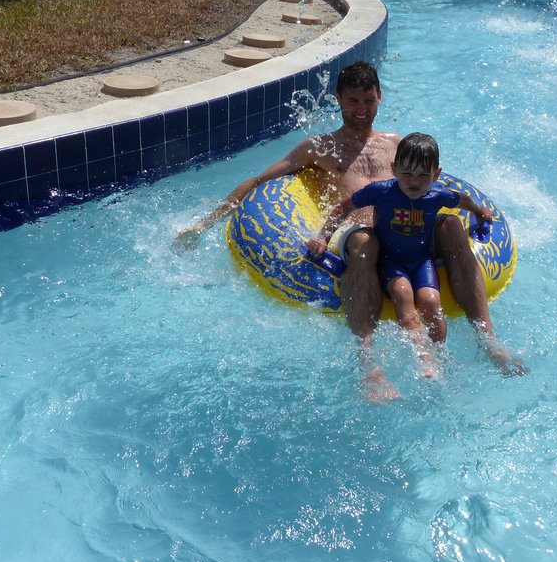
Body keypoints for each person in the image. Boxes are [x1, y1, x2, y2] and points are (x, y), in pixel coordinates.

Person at [174, 61, 526, 400]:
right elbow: (261, 180)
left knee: (449, 225)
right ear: (338, 100)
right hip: (358, 229)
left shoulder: (395, 143)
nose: (361, 109)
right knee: (363, 239)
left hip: (410, 228)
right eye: (353, 100)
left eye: (368, 100)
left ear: (380, 98)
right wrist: (205, 223)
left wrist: (476, 212)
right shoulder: (320, 147)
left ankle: (489, 341)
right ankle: (370, 366)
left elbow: (433, 185)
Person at [306, 132, 496, 380]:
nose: (414, 181)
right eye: (407, 173)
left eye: (423, 175)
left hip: (422, 261)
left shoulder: (436, 194)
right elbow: (345, 206)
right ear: (394, 170)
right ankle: (424, 359)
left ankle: (439, 354)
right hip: (391, 261)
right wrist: (323, 237)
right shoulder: (381, 191)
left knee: (430, 300)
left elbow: (462, 200)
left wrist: (481, 213)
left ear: (436, 175)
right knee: (403, 295)